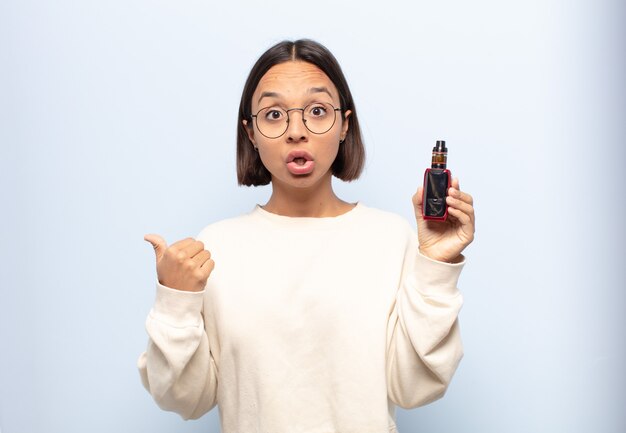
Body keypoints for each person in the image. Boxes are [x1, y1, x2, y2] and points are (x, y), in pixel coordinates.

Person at [138, 39, 475, 433]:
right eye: (274, 114)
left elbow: (414, 387)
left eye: (317, 111)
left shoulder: (390, 238)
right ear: (250, 132)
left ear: (345, 124)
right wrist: (175, 301)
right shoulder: (217, 248)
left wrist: (436, 264)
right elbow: (185, 398)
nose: (296, 131)